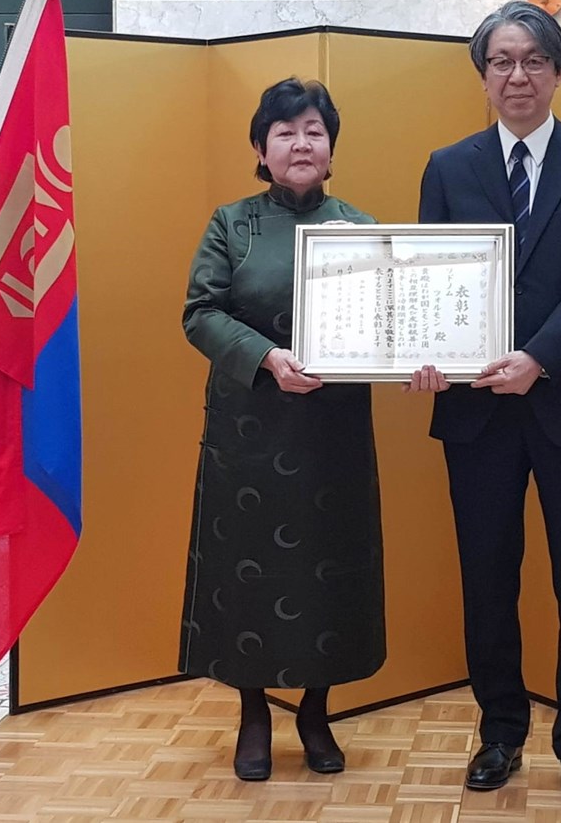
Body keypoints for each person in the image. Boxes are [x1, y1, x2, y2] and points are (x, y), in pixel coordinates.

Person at [408, 0, 561, 807]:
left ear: (558, 72)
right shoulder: (448, 167)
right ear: (482, 75)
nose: (517, 76)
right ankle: (499, 731)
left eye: (534, 60)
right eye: (501, 61)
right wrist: (423, 353)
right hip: (476, 414)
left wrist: (537, 359)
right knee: (486, 578)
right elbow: (429, 280)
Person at [180, 77, 385, 782]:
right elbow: (200, 313)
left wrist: (419, 357)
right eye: (285, 132)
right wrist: (267, 357)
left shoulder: (360, 227)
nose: (301, 144)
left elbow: (389, 322)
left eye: (314, 132)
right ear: (261, 149)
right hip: (249, 431)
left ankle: (316, 712)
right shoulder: (230, 224)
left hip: (332, 431)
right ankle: (253, 714)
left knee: (329, 569)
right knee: (248, 573)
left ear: (331, 149)